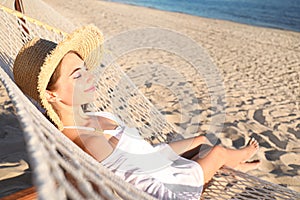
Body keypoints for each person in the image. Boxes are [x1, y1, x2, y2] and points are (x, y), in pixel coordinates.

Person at [13, 25, 260, 200]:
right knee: (215, 152)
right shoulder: (81, 141)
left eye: (85, 69)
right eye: (77, 75)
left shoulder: (89, 117)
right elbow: (126, 182)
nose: (89, 77)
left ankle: (231, 164)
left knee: (202, 140)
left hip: (155, 158)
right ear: (50, 95)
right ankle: (232, 160)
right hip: (164, 184)